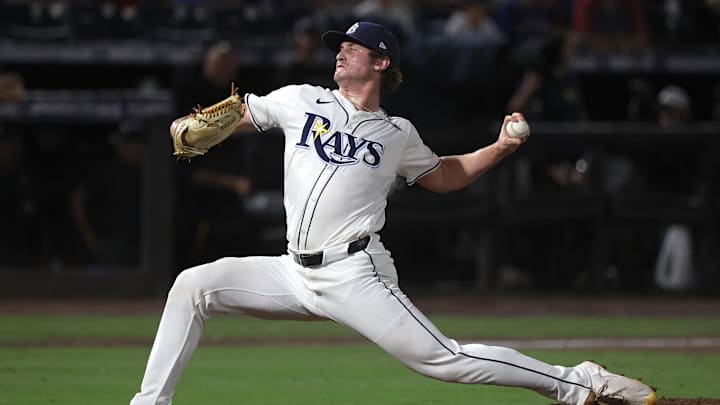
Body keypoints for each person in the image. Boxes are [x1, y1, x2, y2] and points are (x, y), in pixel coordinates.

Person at [129, 21, 656, 405]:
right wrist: (196, 127)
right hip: (292, 270)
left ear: (381, 62)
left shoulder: (397, 133)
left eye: (353, 48)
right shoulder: (301, 99)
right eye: (340, 46)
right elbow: (243, 112)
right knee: (192, 286)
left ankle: (577, 382)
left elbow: (444, 176)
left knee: (443, 359)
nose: (340, 53)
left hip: (355, 272)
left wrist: (498, 148)